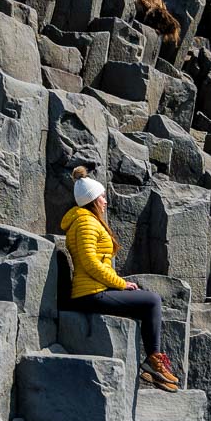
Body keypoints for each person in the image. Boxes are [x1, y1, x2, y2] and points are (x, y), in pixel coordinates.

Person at [60, 167, 180, 391]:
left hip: (94, 290)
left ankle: (151, 366)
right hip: (89, 295)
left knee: (143, 298)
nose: (105, 201)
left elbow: (97, 263)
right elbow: (90, 263)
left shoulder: (88, 221)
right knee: (152, 300)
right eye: (102, 197)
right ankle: (154, 362)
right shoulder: (86, 223)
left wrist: (121, 284)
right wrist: (120, 283)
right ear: (93, 200)